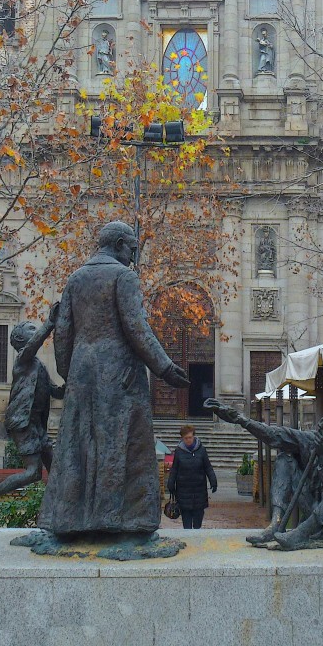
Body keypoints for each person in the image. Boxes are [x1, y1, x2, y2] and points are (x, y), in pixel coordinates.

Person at [38, 221, 189, 538]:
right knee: (122, 444)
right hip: (119, 373)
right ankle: (118, 519)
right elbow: (137, 329)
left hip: (82, 370)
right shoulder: (124, 277)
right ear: (120, 244)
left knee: (78, 446)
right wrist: (163, 368)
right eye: (133, 249)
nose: (134, 256)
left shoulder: (76, 279)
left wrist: (69, 374)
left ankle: (69, 519)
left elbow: (63, 333)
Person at [205, 386, 323, 550]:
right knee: (285, 456)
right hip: (317, 508)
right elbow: (278, 435)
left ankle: (303, 532)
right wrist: (240, 419)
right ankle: (276, 524)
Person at [0, 304, 65, 526]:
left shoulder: (39, 366)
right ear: (22, 341)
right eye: (31, 330)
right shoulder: (23, 361)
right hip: (22, 423)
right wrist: (50, 323)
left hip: (37, 426)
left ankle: (57, 514)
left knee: (56, 472)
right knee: (34, 472)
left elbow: (55, 391)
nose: (36, 333)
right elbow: (35, 345)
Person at [167, 424, 217, 529]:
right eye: (186, 438)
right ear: (182, 438)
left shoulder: (202, 450)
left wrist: (213, 480)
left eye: (190, 437)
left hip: (199, 490)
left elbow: (208, 467)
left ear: (194, 436)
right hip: (183, 490)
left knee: (198, 516)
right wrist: (170, 483)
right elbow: (174, 469)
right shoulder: (179, 452)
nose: (188, 440)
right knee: (186, 519)